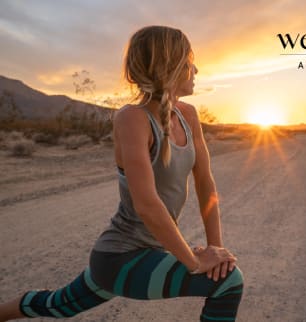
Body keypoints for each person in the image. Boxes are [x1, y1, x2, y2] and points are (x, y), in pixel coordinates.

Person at [0, 25, 244, 322]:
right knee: (228, 283)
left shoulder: (188, 115)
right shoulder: (133, 118)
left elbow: (206, 183)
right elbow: (147, 204)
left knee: (58, 305)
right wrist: (193, 262)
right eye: (189, 60)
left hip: (144, 252)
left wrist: (215, 249)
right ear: (170, 66)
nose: (196, 68)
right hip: (120, 257)